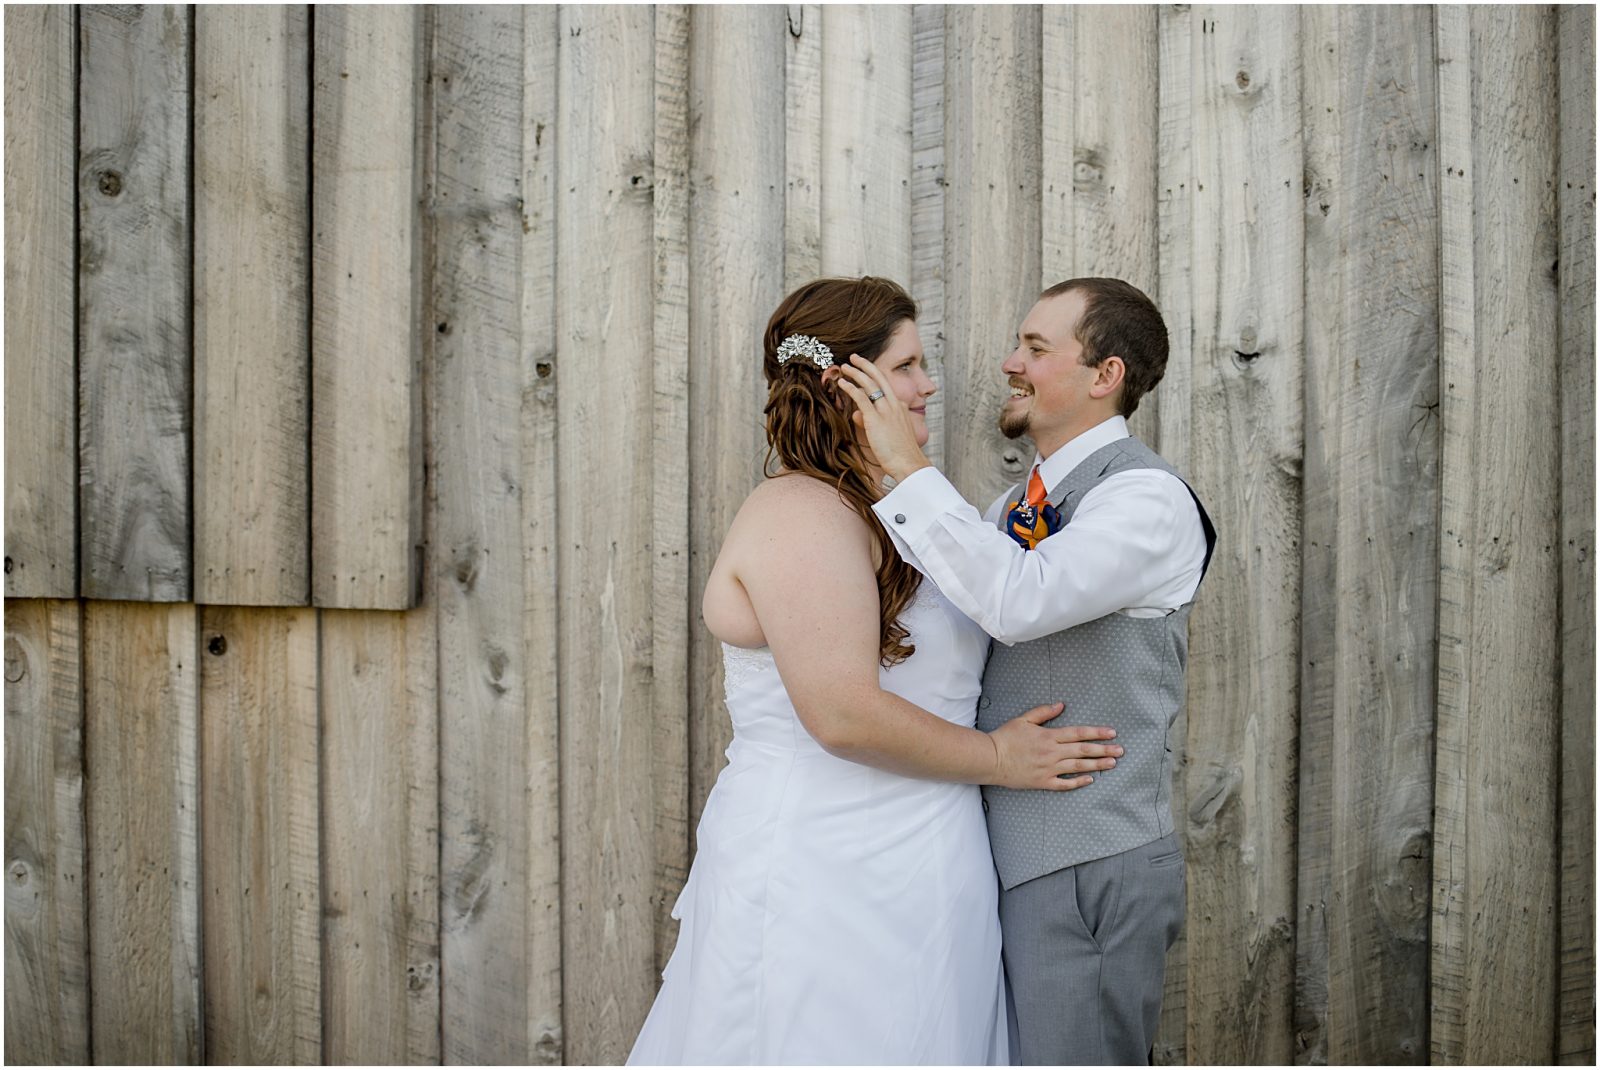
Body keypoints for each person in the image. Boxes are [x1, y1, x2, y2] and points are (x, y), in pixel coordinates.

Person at [627, 277, 1123, 1066]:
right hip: (824, 868)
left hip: (928, 858)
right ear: (845, 382)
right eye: (907, 366)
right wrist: (999, 758)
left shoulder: (903, 506)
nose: (928, 385)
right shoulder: (801, 514)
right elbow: (843, 715)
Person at [838, 277, 1217, 1066]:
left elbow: (1020, 600)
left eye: (1037, 348)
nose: (1011, 362)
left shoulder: (1147, 501)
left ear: (1104, 375)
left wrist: (909, 471)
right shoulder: (1010, 506)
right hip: (989, 862)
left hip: (1086, 866)